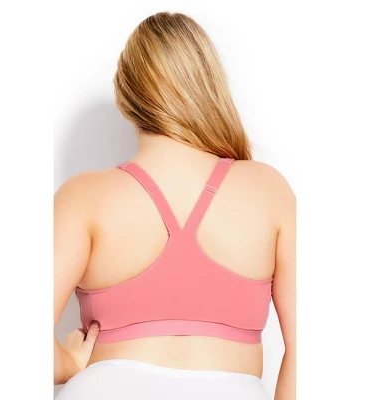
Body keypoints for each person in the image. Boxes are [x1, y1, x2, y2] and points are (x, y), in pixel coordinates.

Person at [54, 11, 295, 400]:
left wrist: (68, 364)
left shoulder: (82, 197)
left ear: (127, 97)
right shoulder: (269, 191)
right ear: (208, 86)